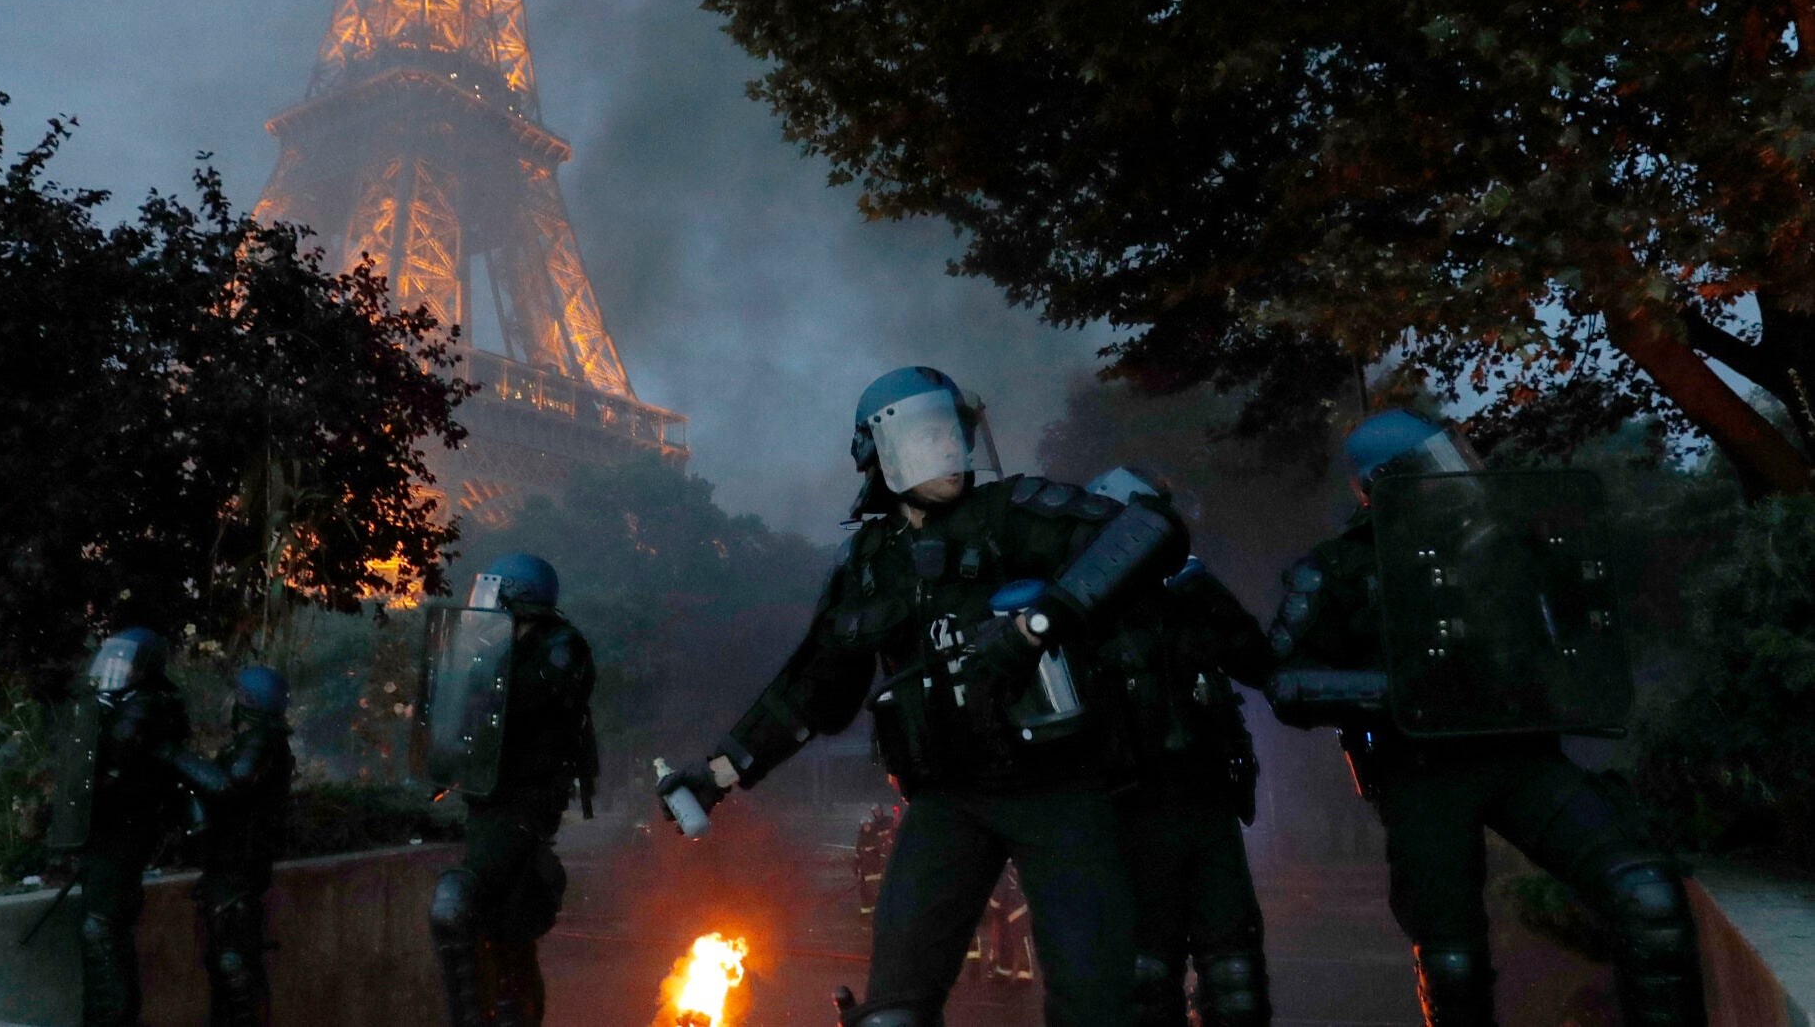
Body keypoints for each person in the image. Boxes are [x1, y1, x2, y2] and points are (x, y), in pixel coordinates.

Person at [656, 366, 1188, 1027]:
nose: (944, 448)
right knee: (892, 1011)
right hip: (947, 801)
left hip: (1058, 792)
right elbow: (810, 688)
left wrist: (1048, 618)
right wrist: (717, 772)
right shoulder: (873, 564)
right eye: (924, 434)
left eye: (951, 432)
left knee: (1098, 1007)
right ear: (879, 455)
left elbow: (1152, 531)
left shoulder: (1015, 513)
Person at [1265, 409, 1705, 1027]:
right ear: (1390, 480)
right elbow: (1286, 682)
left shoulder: (1507, 538)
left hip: (1521, 756)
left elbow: (1584, 620)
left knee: (1646, 894)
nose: (1463, 467)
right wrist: (1405, 688)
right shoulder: (1339, 567)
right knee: (1452, 962)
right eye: (1438, 459)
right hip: (1422, 773)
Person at [1085, 467, 1273, 1027]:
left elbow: (1259, 665)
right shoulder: (1085, 613)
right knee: (1146, 979)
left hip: (1210, 809)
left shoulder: (1192, 597)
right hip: (1131, 818)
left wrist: (1208, 593)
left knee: (1236, 978)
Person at [424, 553, 599, 1027]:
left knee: (458, 903)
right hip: (490, 797)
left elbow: (512, 704)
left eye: (494, 592)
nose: (483, 601)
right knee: (504, 931)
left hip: (525, 800)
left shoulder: (561, 648)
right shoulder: (503, 645)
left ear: (517, 597)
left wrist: (486, 658)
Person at [56, 628, 219, 1027]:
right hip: (109, 831)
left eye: (125, 660)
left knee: (103, 930)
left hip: (126, 830)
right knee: (100, 929)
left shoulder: (147, 706)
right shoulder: (118, 701)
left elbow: (120, 755)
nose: (115, 666)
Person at [193, 665, 295, 1027]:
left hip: (239, 871)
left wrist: (178, 758)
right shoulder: (258, 742)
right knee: (227, 966)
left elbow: (232, 783)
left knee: (235, 968)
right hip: (229, 868)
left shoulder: (262, 742)